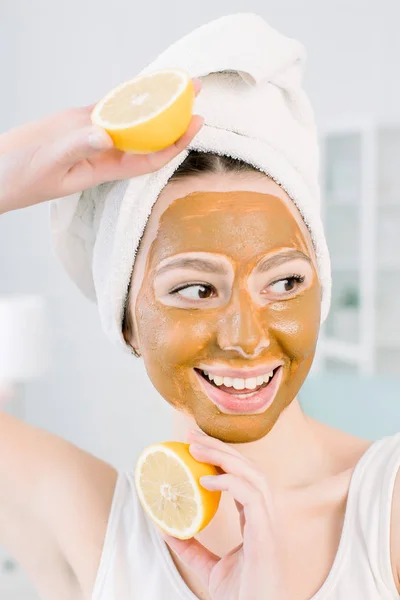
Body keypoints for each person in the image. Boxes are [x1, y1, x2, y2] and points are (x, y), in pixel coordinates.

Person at [1, 12, 400, 600]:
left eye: (285, 283)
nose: (246, 337)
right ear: (128, 320)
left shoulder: (386, 512)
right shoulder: (85, 526)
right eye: (195, 290)